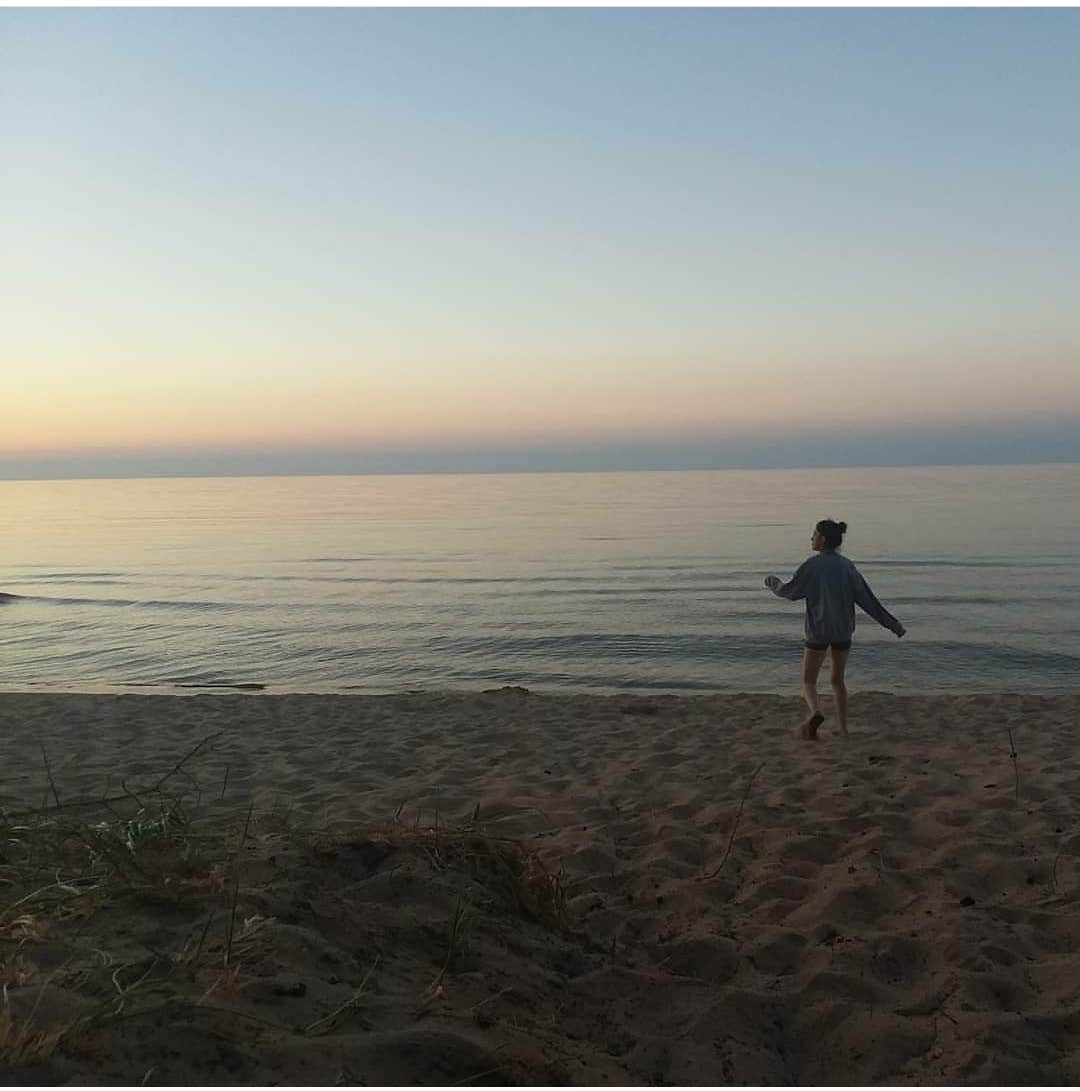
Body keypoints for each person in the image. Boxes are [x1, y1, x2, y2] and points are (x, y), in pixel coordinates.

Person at [764, 519, 905, 739]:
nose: (811, 538)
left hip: (818, 631)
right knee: (838, 680)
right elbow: (868, 600)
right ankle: (843, 728)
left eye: (814, 534)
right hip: (842, 631)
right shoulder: (847, 566)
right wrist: (893, 625)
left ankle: (816, 711)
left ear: (822, 539)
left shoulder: (812, 565)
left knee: (808, 681)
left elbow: (790, 592)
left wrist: (772, 582)